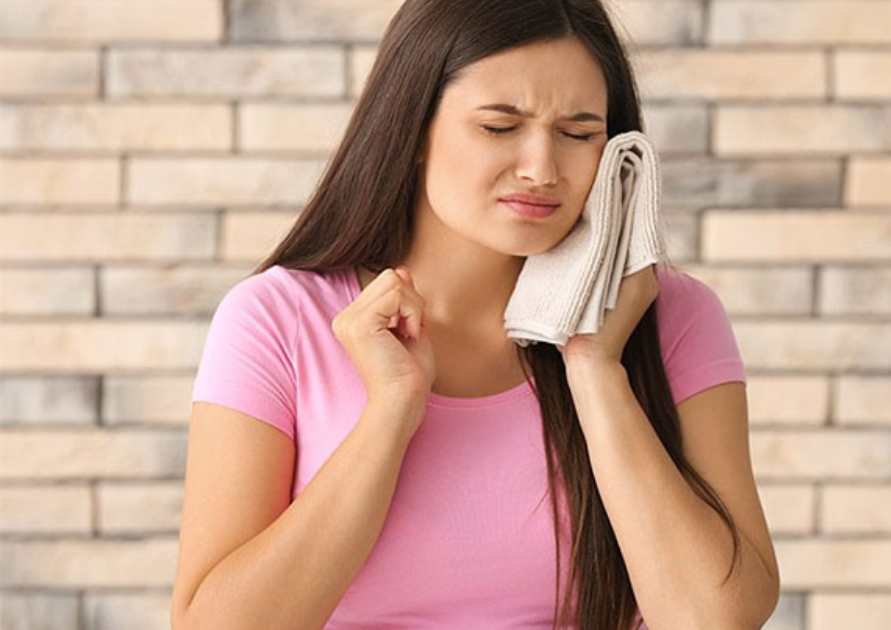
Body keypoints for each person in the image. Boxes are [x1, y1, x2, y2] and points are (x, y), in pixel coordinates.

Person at [170, 1, 779, 629]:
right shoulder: (278, 319)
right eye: (499, 127)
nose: (541, 169)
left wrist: (596, 369)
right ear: (413, 131)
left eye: (578, 134)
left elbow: (716, 620)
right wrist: (391, 413)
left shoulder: (668, 315)